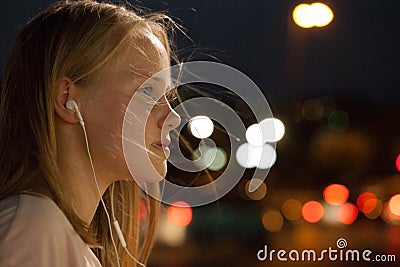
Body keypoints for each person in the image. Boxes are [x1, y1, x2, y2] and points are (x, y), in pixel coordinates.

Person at [0, 0, 181, 266]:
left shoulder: (61, 238)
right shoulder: (32, 226)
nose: (173, 118)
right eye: (146, 92)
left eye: (167, 97)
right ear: (66, 100)